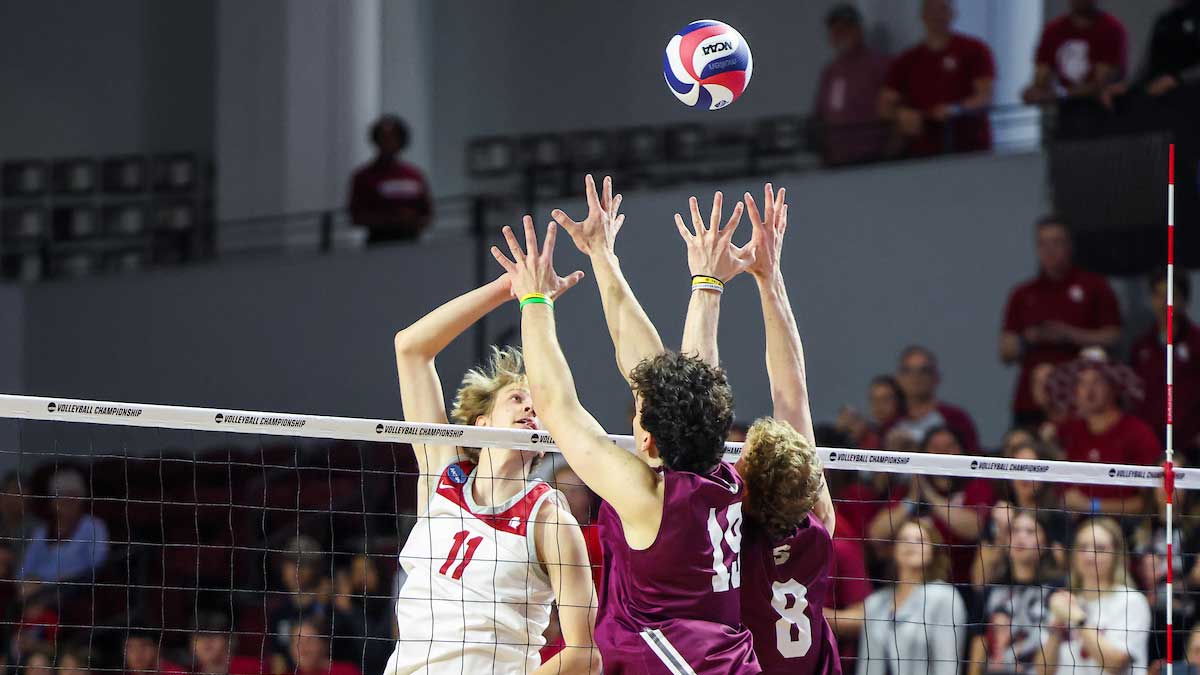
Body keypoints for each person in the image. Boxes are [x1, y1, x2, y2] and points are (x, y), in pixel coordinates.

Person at [495, 175, 759, 672]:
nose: (635, 405)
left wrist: (534, 300)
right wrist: (602, 255)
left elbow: (556, 406)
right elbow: (671, 374)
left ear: (647, 437)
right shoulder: (721, 474)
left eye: (639, 411)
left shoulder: (647, 496)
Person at [388, 231, 597, 674]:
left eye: (539, 407)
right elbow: (411, 349)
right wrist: (513, 288)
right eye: (518, 398)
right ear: (481, 423)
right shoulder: (441, 476)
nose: (530, 408)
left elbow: (585, 655)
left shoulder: (551, 519)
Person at [674, 183, 840, 674]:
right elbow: (794, 398)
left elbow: (695, 400)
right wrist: (771, 277)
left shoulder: (726, 538)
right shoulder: (817, 531)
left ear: (742, 489)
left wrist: (707, 281)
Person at [999, 216, 1122, 428]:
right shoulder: (1023, 294)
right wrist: (1029, 339)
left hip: (1082, 400)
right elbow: (1005, 350)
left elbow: (1114, 336)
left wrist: (1067, 334)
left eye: (1057, 242)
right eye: (1043, 243)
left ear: (1070, 246)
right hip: (1031, 401)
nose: (1050, 249)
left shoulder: (1094, 286)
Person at [867, 427, 994, 584]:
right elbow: (876, 534)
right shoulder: (907, 490)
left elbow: (973, 527)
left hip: (959, 583)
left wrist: (929, 494)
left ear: (962, 451)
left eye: (950, 446)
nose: (942, 453)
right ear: (924, 452)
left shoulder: (975, 486)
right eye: (935, 447)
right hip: (907, 582)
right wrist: (911, 500)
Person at [1049, 348, 1160, 515]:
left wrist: (1092, 506)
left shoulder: (1139, 433)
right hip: (1072, 527)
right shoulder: (1069, 431)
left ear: (1114, 387)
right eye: (1082, 382)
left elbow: (1149, 501)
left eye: (1097, 381)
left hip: (1124, 528)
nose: (1089, 390)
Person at [878, 0, 995, 156]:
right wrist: (900, 114)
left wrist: (955, 109)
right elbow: (884, 105)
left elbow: (985, 96)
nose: (936, 16)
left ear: (953, 13)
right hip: (923, 152)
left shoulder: (974, 50)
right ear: (922, 15)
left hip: (968, 148)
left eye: (943, 9)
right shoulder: (907, 60)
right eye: (931, 10)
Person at [857, 517, 967, 675]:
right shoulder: (874, 603)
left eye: (920, 540)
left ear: (932, 551)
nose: (911, 544)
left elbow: (947, 665)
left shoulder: (945, 598)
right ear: (894, 550)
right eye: (904, 539)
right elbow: (866, 666)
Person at [1043, 518, 1151, 675]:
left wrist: (1079, 619)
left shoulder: (1131, 601)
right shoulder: (1065, 601)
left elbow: (1115, 664)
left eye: (1099, 548)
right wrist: (1056, 628)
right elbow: (1043, 670)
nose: (1089, 556)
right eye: (1082, 547)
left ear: (1116, 554)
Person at [966, 509, 1065, 675]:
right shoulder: (990, 591)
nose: (1020, 537)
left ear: (1045, 544)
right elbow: (977, 650)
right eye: (1015, 531)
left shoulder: (1057, 590)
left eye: (1030, 532)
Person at [1131, 270, 1200, 456]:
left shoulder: (1197, 343)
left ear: (1185, 300)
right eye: (1159, 294)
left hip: (1191, 447)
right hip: (1149, 445)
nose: (1165, 302)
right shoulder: (1141, 347)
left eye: (1172, 295)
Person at [811, 4, 890, 165]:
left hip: (873, 157)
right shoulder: (831, 72)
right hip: (837, 159)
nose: (840, 34)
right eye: (835, 30)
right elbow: (820, 113)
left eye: (845, 28)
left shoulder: (879, 65)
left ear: (858, 30)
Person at [18, 469, 109, 595]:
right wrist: (31, 581)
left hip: (72, 590)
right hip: (36, 591)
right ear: (53, 502)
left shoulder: (94, 527)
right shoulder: (42, 531)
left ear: (81, 500)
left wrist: (55, 581)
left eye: (73, 497)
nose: (68, 501)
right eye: (62, 496)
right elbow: (24, 569)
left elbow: (97, 565)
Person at [348, 115, 432, 244]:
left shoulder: (414, 175)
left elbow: (427, 214)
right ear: (376, 141)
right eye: (383, 138)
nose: (387, 142)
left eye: (392, 138)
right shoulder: (363, 177)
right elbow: (356, 216)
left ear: (401, 141)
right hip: (380, 243)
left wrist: (412, 219)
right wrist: (390, 219)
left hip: (411, 243)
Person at [1022, 0, 1127, 104]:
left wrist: (1061, 93)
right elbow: (1041, 77)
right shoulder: (1053, 30)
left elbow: (1101, 83)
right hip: (1066, 112)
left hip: (1102, 110)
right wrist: (1035, 92)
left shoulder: (1111, 29)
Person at [1103, 0, 1200, 107]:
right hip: (1159, 100)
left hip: (1190, 99)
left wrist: (1179, 79)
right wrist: (1127, 87)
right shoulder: (1165, 20)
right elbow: (1146, 69)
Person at [891, 346, 980, 450]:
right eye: (908, 370)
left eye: (924, 370)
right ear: (898, 377)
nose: (916, 376)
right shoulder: (890, 421)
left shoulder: (956, 419)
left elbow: (973, 459)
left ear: (936, 377)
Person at [836, 375, 907, 450]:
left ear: (898, 401)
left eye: (885, 399)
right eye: (874, 399)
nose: (879, 405)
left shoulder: (906, 431)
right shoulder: (866, 433)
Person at [191, 611, 268, 675]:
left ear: (229, 639)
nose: (206, 642)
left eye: (213, 635)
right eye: (200, 636)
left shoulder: (254, 668)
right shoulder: (189, 671)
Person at [291, 618, 361, 675]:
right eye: (298, 642)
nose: (303, 647)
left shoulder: (347, 672)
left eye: (310, 640)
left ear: (323, 644)